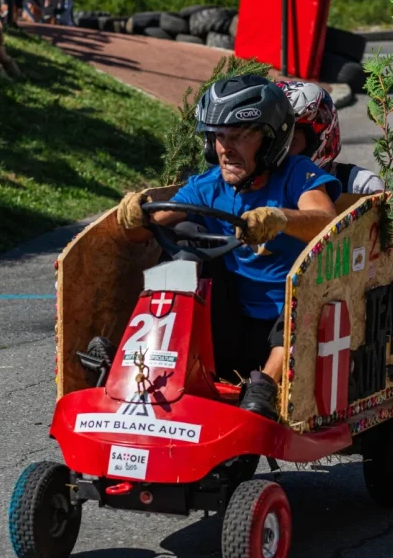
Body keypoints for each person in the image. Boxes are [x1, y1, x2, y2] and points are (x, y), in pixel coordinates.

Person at [116, 76, 341, 419]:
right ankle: (146, 360)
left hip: (289, 334)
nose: (225, 147)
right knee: (185, 239)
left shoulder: (297, 173)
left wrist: (281, 218)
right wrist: (136, 217)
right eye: (218, 136)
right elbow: (147, 230)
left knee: (307, 286)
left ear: (269, 139)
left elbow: (328, 220)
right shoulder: (206, 185)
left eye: (240, 135)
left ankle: (265, 387)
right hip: (233, 326)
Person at [279, 81, 385, 195]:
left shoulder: (360, 186)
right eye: (276, 139)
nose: (280, 150)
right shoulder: (263, 186)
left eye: (291, 141)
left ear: (321, 137)